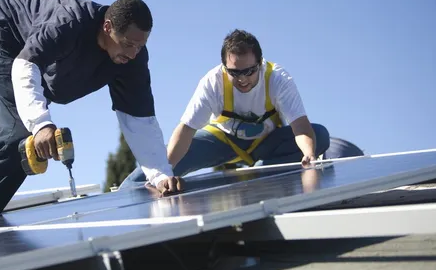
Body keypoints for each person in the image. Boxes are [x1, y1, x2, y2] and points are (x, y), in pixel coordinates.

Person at [0, 0, 180, 228]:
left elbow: (140, 119)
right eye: (128, 44)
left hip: (40, 69)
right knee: (21, 139)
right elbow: (26, 65)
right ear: (108, 27)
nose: (132, 54)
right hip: (10, 39)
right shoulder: (69, 22)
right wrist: (41, 124)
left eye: (140, 46)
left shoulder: (132, 60)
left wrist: (159, 175)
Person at [120, 28, 330, 190]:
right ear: (223, 67)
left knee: (319, 134)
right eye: (234, 73)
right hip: (222, 140)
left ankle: (258, 179)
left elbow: (301, 127)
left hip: (266, 142)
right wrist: (163, 173)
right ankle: (124, 193)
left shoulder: (279, 79)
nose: (243, 79)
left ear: (260, 63)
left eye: (249, 71)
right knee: (158, 165)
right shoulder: (212, 82)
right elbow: (185, 131)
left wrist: (309, 154)